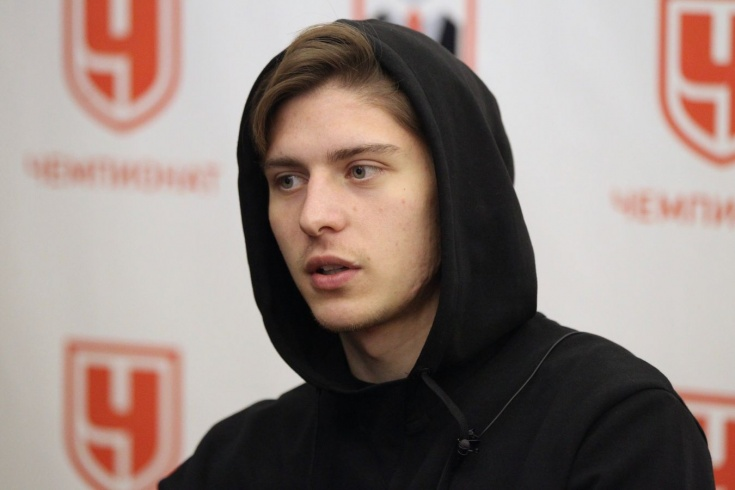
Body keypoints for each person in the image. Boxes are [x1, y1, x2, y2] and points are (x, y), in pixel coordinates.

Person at [160, 19, 714, 489]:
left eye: (360, 170)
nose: (313, 215)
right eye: (288, 179)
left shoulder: (615, 427)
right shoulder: (239, 458)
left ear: (456, 189)